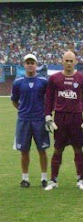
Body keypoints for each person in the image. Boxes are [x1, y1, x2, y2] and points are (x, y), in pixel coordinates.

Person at [44, 50, 83, 191]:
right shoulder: (54, 79)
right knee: (57, 149)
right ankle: (53, 180)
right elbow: (48, 99)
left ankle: (81, 179)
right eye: (66, 60)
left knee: (78, 149)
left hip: (76, 118)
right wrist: (48, 116)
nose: (69, 63)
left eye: (71, 61)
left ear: (76, 62)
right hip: (60, 118)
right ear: (62, 61)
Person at [11, 54, 49, 188]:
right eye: (28, 63)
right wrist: (23, 111)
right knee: (24, 151)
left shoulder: (44, 81)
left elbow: (49, 100)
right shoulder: (18, 82)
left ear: (36, 65)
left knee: (42, 150)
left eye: (32, 62)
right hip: (24, 121)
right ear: (24, 65)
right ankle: (25, 178)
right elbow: (14, 100)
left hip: (39, 120)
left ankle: (44, 178)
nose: (30, 65)